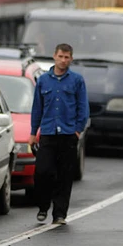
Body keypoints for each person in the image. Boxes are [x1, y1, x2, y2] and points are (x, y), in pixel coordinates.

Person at [28, 43, 89, 225]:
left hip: (68, 134)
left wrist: (77, 130)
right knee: (43, 171)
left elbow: (83, 108)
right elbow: (37, 108)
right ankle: (43, 205)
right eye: (60, 56)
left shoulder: (77, 81)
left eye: (67, 57)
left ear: (71, 59)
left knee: (64, 175)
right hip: (47, 133)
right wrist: (33, 132)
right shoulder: (44, 80)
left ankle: (59, 213)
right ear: (54, 56)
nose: (63, 60)